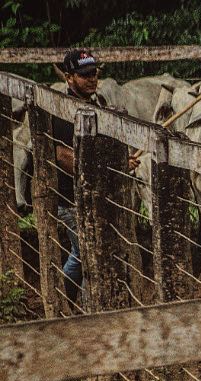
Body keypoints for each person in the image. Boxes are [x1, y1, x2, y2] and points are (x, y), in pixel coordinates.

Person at [50, 48, 104, 306]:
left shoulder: (98, 104)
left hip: (91, 194)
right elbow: (63, 157)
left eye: (94, 73)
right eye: (84, 75)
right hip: (70, 198)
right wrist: (108, 167)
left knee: (85, 250)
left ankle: (69, 298)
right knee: (86, 251)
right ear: (69, 78)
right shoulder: (62, 110)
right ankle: (79, 302)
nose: (92, 79)